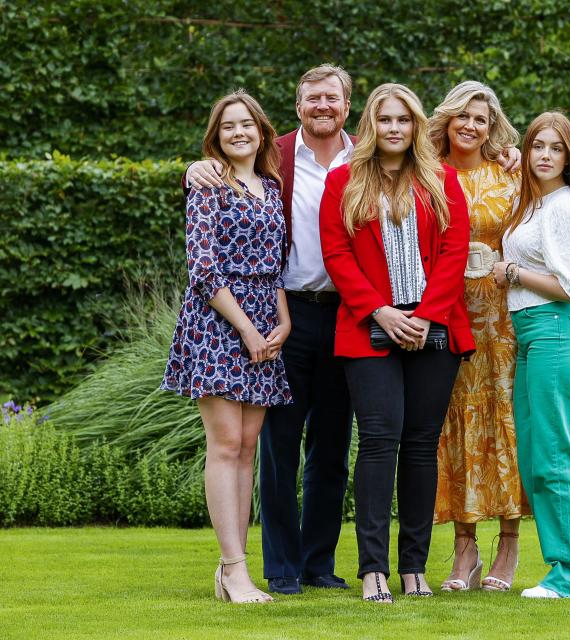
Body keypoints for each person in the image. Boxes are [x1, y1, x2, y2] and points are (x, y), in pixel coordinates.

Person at [185, 65, 356, 595]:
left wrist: (502, 152)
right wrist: (195, 166)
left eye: (332, 97)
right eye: (312, 98)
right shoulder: (276, 155)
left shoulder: (367, 153)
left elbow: (425, 156)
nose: (322, 105)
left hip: (342, 313)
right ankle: (277, 568)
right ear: (297, 104)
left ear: (347, 104)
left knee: (329, 444)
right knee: (272, 445)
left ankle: (317, 565)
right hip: (271, 316)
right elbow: (211, 206)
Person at [318, 83, 474, 602]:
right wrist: (381, 310)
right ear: (370, 126)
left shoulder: (443, 180)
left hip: (435, 329)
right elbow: (336, 255)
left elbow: (454, 253)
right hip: (368, 327)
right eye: (384, 120)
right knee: (379, 441)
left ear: (415, 127)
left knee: (421, 446)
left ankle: (413, 569)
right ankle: (372, 570)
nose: (393, 129)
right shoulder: (343, 181)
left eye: (403, 121)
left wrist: (426, 316)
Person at [161, 90, 292, 604]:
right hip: (219, 322)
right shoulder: (208, 186)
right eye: (228, 126)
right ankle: (233, 569)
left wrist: (281, 321)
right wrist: (247, 328)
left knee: (247, 449)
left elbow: (275, 265)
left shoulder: (271, 185)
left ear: (261, 132)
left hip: (264, 322)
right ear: (216, 137)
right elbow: (203, 268)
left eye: (247, 125)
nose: (239, 133)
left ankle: (234, 571)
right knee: (225, 445)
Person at [492, 111, 570, 599]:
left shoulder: (564, 208)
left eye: (555, 148)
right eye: (537, 146)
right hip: (534, 335)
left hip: (558, 331)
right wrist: (508, 160)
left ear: (569, 157)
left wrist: (513, 272)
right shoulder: (537, 203)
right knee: (537, 456)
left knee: (553, 457)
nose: (545, 155)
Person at [427, 81, 530, 592]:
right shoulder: (425, 173)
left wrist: (519, 156)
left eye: (481, 120)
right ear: (446, 118)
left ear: (492, 129)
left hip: (503, 320)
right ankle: (463, 550)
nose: (470, 126)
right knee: (453, 421)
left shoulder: (509, 176)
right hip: (446, 316)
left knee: (504, 417)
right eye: (463, 116)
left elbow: (538, 235)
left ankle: (508, 545)